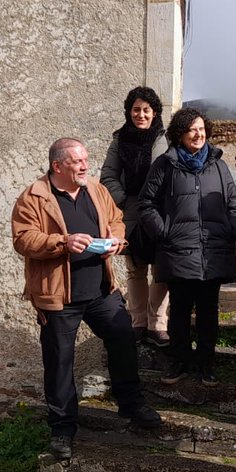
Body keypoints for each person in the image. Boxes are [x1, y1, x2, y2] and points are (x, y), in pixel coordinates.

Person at [12, 137, 162, 462]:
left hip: (101, 290)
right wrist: (63, 242)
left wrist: (116, 240)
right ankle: (63, 429)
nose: (84, 165)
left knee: (123, 338)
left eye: (85, 160)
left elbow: (118, 219)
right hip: (58, 297)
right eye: (77, 161)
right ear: (57, 166)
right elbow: (23, 239)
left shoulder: (95, 189)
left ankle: (131, 404)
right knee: (59, 361)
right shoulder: (35, 197)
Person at [139, 108, 236, 386]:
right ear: (179, 134)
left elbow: (234, 202)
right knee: (180, 310)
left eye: (201, 129)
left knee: (208, 312)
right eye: (191, 130)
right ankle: (178, 362)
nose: (198, 135)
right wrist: (164, 232)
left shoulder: (219, 165)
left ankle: (206, 364)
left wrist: (232, 229)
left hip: (213, 250)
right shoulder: (165, 165)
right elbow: (146, 204)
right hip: (178, 250)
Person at [101, 86, 170, 348]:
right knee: (135, 268)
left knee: (161, 270)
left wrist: (152, 198)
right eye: (136, 110)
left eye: (146, 110)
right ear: (129, 112)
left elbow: (170, 174)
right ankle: (138, 322)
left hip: (159, 211)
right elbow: (107, 175)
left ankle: (158, 323)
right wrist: (125, 198)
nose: (141, 115)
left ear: (155, 113)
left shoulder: (165, 138)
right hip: (131, 212)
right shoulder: (119, 141)